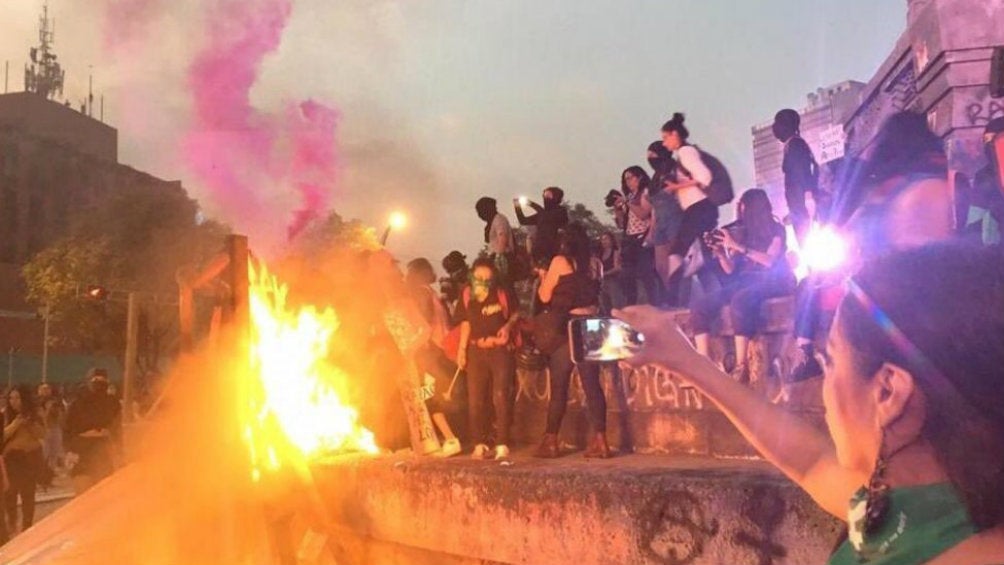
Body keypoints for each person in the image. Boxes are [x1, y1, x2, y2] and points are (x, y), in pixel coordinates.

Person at [617, 242, 1004, 565]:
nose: (825, 385)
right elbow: (812, 461)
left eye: (830, 361)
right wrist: (685, 360)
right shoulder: (938, 504)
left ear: (888, 392)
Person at [789, 110, 954, 384]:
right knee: (812, 285)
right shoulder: (895, 185)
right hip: (881, 279)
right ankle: (808, 353)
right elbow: (853, 228)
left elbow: (918, 249)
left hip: (901, 289)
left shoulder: (919, 186)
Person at [690, 189, 796, 382]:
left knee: (741, 300)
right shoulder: (743, 232)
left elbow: (770, 261)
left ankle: (741, 366)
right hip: (746, 280)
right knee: (701, 306)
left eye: (743, 206)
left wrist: (738, 246)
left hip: (774, 280)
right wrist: (721, 253)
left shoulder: (776, 230)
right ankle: (701, 364)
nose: (740, 211)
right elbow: (731, 271)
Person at [533, 224, 609, 459]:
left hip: (569, 326)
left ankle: (551, 440)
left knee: (559, 386)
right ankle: (601, 441)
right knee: (592, 384)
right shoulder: (595, 263)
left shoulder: (560, 262)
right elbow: (597, 291)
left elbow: (545, 296)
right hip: (592, 324)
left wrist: (544, 277)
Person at [455, 258, 519, 461]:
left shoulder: (501, 291)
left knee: (500, 395)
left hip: (499, 350)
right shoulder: (466, 294)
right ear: (472, 276)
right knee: (476, 399)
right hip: (476, 350)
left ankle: (502, 442)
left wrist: (507, 327)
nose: (482, 281)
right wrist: (462, 350)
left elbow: (516, 313)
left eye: (486, 278)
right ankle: (479, 443)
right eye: (478, 277)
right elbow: (465, 323)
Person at [660, 113, 720, 304]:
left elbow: (705, 177)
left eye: (665, 137)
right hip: (700, 210)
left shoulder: (686, 152)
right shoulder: (685, 153)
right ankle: (719, 296)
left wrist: (676, 187)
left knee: (677, 252)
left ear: (674, 134)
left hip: (699, 209)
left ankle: (671, 298)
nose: (664, 143)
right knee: (703, 257)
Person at [406, 258, 463, 457]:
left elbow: (423, 324)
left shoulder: (423, 293)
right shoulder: (430, 293)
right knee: (436, 395)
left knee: (430, 396)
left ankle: (450, 438)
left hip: (431, 351)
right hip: (441, 349)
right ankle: (445, 438)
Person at [64, 369, 122, 494]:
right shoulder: (76, 404)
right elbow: (67, 430)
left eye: (102, 381)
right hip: (81, 451)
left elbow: (117, 429)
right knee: (83, 496)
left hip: (103, 453)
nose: (99, 384)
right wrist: (69, 451)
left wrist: (119, 452)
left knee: (102, 497)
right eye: (95, 380)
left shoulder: (112, 403)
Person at [612, 166, 660, 305]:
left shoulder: (645, 192)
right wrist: (617, 209)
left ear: (639, 177)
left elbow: (643, 213)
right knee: (627, 275)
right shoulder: (630, 197)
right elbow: (622, 224)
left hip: (642, 237)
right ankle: (630, 304)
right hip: (629, 238)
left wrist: (627, 202)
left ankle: (653, 304)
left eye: (630, 178)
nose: (627, 182)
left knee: (646, 273)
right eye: (625, 179)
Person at [645, 140, 685, 305]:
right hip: (660, 221)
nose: (650, 158)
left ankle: (677, 299)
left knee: (675, 263)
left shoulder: (675, 169)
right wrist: (652, 230)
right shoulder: (655, 177)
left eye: (653, 154)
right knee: (661, 267)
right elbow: (653, 207)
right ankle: (668, 296)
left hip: (674, 217)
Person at [773, 109, 819, 245]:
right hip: (798, 208)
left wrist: (807, 199)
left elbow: (802, 173)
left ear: (786, 125)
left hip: (802, 207)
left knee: (809, 244)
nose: (774, 128)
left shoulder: (796, 145)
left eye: (777, 123)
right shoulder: (792, 145)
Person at [3, 385, 45, 535]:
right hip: (12, 459)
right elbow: (3, 435)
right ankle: (11, 526)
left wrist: (29, 422)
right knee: (10, 495)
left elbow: (42, 434)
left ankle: (27, 528)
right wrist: (16, 424)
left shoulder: (34, 415)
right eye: (11, 398)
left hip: (29, 459)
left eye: (18, 398)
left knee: (28, 495)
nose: (14, 402)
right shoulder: (5, 416)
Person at [966, 116, 1004, 245]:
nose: (989, 145)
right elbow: (975, 215)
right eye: (985, 140)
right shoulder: (983, 174)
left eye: (993, 139)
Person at [514, 186, 570, 263]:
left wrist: (531, 204)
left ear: (556, 197)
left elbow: (549, 217)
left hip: (553, 252)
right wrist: (517, 206)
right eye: (544, 194)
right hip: (538, 251)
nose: (545, 197)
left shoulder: (561, 212)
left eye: (548, 195)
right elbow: (523, 220)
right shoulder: (542, 213)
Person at [474, 197, 515, 287]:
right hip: (496, 258)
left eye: (480, 211)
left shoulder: (499, 220)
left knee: (503, 287)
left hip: (502, 258)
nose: (479, 215)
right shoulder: (492, 222)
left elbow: (502, 237)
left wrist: (499, 257)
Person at [36, 382, 63, 482]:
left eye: (47, 389)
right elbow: (42, 418)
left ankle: (50, 476)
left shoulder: (55, 402)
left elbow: (61, 417)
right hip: (43, 430)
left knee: (54, 454)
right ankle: (42, 476)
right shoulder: (37, 403)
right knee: (44, 454)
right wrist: (47, 410)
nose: (45, 391)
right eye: (43, 389)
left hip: (55, 429)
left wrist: (54, 409)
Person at [598, 232, 622, 313]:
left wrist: (605, 273)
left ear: (611, 240)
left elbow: (618, 267)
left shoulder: (615, 252)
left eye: (606, 239)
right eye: (602, 239)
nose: (604, 241)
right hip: (601, 282)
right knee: (604, 306)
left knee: (616, 305)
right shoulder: (600, 253)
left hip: (613, 281)